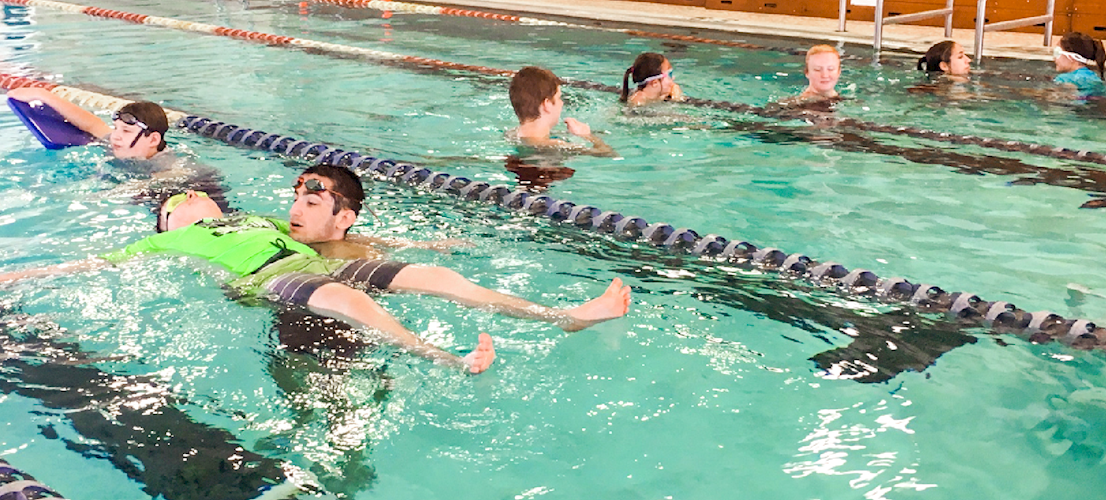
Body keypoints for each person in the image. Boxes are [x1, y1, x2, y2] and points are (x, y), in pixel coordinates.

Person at [0, 166, 632, 373]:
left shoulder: (263, 222)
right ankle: (443, 358)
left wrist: (438, 249)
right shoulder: (165, 247)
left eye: (189, 195)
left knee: (438, 283)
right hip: (265, 281)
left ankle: (565, 318)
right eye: (171, 206)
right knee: (351, 304)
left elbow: (358, 243)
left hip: (304, 266)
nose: (184, 200)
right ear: (165, 224)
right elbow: (82, 264)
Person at [507, 66, 615, 156]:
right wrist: (589, 136)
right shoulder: (557, 146)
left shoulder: (511, 134)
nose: (562, 103)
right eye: (559, 98)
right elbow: (608, 154)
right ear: (547, 104)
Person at [777, 45, 842, 108]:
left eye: (831, 69)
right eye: (817, 69)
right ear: (807, 73)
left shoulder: (845, 100)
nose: (825, 75)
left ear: (839, 72)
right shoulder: (792, 106)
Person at [1053, 32, 1106, 97]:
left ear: (1071, 57)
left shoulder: (1063, 79)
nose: (1054, 58)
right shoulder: (1096, 78)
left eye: (1057, 53)